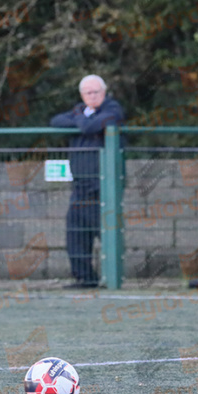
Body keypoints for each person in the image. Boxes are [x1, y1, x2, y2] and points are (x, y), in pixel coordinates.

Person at [50, 75, 125, 288]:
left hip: (103, 185)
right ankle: (85, 278)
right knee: (75, 231)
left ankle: (114, 278)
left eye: (95, 92)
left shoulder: (113, 109)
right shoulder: (79, 110)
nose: (92, 97)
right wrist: (82, 117)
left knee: (106, 231)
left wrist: (81, 119)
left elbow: (89, 127)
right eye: (87, 93)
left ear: (104, 91)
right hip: (80, 185)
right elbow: (56, 121)